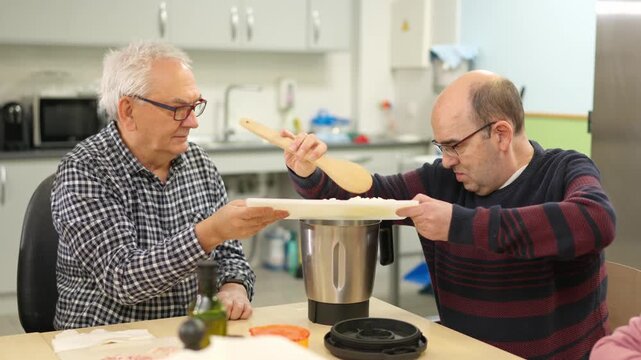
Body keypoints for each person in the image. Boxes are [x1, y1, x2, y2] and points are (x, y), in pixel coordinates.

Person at [283, 70, 616, 359]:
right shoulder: (440, 181)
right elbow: (362, 196)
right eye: (440, 147)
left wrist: (460, 224)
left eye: (455, 145)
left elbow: (595, 220)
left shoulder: (565, 170)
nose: (446, 160)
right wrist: (311, 173)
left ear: (500, 134)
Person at [51, 41, 288, 329]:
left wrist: (234, 287)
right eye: (177, 108)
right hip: (105, 339)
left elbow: (230, 256)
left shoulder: (198, 162)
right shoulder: (85, 169)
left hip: (187, 335)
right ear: (128, 110)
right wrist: (210, 232)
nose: (192, 122)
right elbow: (122, 278)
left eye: (194, 106)